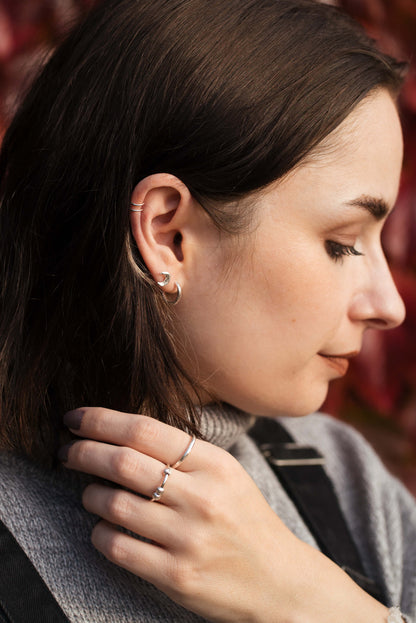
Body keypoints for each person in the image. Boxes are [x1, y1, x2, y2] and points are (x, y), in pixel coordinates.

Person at [0, 0, 415, 621]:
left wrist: (309, 601)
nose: (390, 307)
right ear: (169, 235)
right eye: (342, 243)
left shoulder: (343, 482)